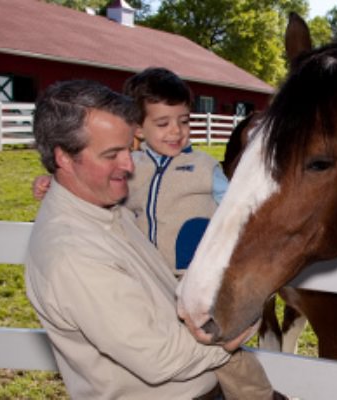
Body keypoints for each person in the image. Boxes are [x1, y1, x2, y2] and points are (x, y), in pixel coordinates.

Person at [25, 79, 276, 399]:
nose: (130, 165)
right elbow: (161, 358)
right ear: (64, 159)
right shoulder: (73, 256)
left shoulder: (102, 205)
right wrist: (230, 331)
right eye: (111, 154)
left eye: (129, 148)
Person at [33, 67, 228, 276]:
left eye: (184, 121)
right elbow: (91, 187)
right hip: (143, 270)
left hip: (196, 274)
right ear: (138, 129)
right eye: (163, 123)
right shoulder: (128, 164)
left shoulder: (205, 167)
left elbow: (238, 207)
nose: (176, 130)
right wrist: (53, 183)